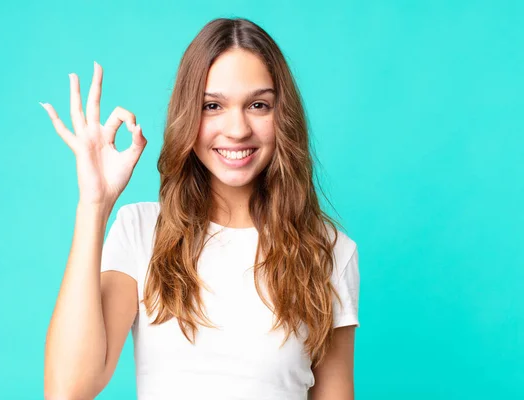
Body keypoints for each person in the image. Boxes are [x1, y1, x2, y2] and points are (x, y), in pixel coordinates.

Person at [42, 17, 360, 400]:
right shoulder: (141, 230)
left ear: (283, 116)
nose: (237, 128)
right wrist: (94, 205)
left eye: (258, 105)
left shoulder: (330, 251)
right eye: (213, 106)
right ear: (187, 115)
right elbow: (69, 390)